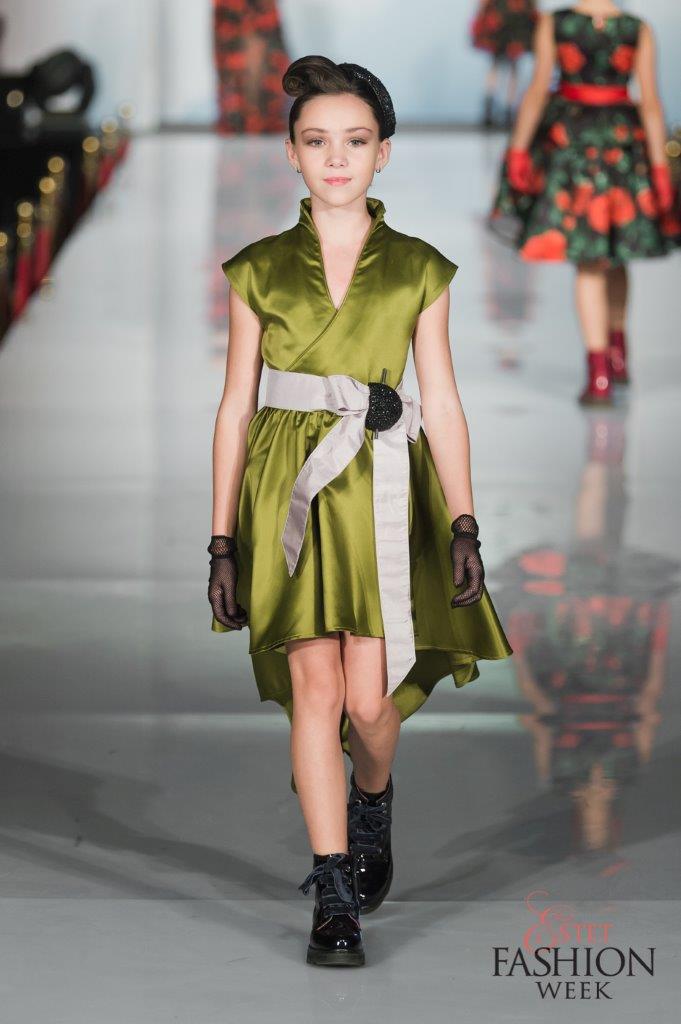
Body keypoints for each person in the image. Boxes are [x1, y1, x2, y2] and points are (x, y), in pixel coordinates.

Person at [207, 54, 513, 967]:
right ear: (291, 154)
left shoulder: (418, 268)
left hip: (381, 483)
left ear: (383, 152)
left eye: (354, 140)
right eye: (316, 141)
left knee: (370, 704)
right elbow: (234, 405)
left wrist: (463, 522)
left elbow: (442, 400)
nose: (334, 158)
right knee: (316, 690)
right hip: (288, 489)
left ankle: (371, 797)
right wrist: (221, 539)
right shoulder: (258, 270)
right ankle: (333, 891)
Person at [488, 1, 681, 405]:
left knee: (588, 260)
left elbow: (538, 89)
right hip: (622, 145)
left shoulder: (557, 24)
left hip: (573, 143)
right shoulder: (636, 28)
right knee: (617, 254)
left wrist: (518, 149)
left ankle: (598, 376)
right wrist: (660, 169)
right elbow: (650, 102)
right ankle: (616, 353)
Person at [470, 0, 539, 127]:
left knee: (503, 66)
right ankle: (502, 109)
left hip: (506, 16)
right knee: (506, 66)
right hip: (509, 16)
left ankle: (498, 108)